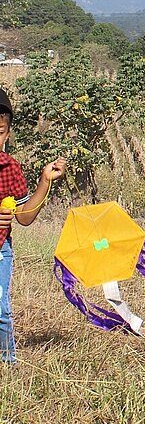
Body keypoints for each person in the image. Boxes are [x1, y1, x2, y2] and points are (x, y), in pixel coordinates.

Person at [0, 88, 67, 364]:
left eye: (1, 131)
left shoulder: (9, 168)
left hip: (0, 248)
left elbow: (24, 217)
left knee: (0, 310)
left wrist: (45, 181)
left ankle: (7, 362)